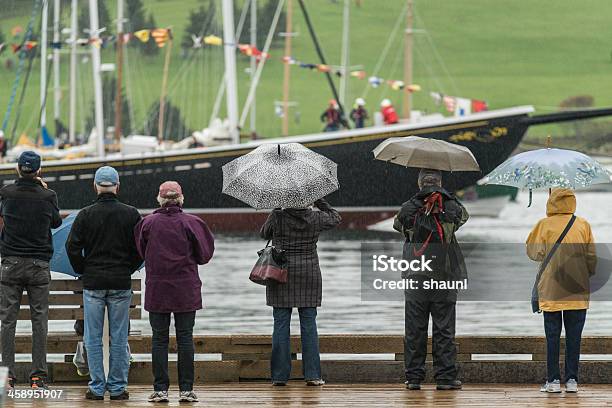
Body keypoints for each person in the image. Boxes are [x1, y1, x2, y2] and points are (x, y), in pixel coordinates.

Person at [65, 166, 142, 401]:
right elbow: (141, 247)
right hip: (120, 281)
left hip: (94, 282)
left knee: (93, 337)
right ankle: (118, 388)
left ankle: (97, 387)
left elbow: (72, 247)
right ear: (117, 186)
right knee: (119, 337)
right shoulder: (131, 214)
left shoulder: (85, 214)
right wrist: (128, 267)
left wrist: (82, 268)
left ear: (95, 186)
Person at [134, 181, 215, 403]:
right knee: (185, 339)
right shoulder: (193, 223)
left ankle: (160, 390)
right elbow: (204, 255)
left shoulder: (147, 223)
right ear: (181, 199)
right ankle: (186, 390)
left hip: (158, 289)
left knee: (159, 340)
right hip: (185, 289)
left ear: (159, 199)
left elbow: (140, 251)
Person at [393, 169, 468, 391]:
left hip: (415, 274)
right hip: (444, 275)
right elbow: (464, 218)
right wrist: (446, 196)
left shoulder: (408, 208)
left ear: (419, 184)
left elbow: (399, 226)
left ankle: (414, 378)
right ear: (440, 183)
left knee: (415, 328)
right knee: (444, 327)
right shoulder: (451, 206)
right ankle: (445, 378)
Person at [260, 198, 341, 386]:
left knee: (280, 324)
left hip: (281, 273)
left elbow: (263, 234)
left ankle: (279, 377)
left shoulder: (278, 216)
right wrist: (321, 202)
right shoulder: (316, 217)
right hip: (308, 273)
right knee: (309, 324)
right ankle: (313, 375)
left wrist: (275, 209)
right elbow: (336, 218)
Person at [0, 151, 62, 390]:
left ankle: (7, 377)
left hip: (11, 263)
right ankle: (38, 376)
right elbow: (56, 222)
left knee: (7, 322)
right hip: (38, 265)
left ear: (18, 169)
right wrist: (43, 190)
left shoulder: (6, 193)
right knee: (39, 321)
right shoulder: (48, 195)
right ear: (38, 170)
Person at [526, 188, 596, 394]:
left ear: (551, 201)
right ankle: (572, 380)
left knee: (552, 336)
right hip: (577, 289)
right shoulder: (583, 224)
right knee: (575, 337)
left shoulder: (543, 224)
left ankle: (553, 381)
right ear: (572, 201)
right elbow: (592, 258)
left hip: (551, 290)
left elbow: (533, 252)